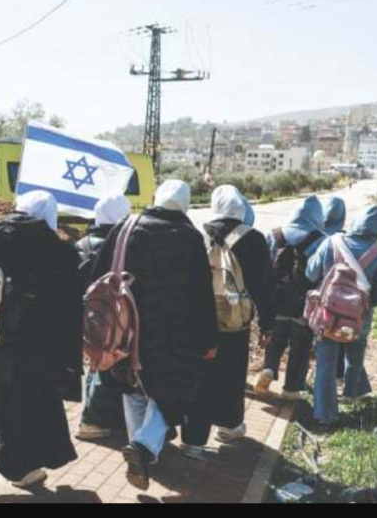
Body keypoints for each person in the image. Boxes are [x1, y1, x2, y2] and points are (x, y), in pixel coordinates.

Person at [90, 180, 218, 490]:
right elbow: (202, 294)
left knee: (132, 385)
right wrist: (208, 338)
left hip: (126, 327)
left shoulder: (126, 225)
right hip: (174, 333)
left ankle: (143, 455)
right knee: (176, 388)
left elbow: (97, 274)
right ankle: (144, 447)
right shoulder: (189, 236)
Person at [0, 191, 84, 489]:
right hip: (36, 348)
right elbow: (67, 311)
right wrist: (70, 358)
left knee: (4, 393)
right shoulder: (57, 252)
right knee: (30, 406)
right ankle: (18, 470)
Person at [180, 186, 275, 460]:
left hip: (200, 321)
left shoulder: (197, 234)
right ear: (240, 208)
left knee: (200, 379)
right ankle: (229, 426)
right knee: (232, 376)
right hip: (235, 323)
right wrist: (267, 325)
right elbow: (264, 287)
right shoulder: (253, 238)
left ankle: (193, 441)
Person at [306, 206, 377, 428]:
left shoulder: (331, 242)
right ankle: (351, 397)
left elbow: (311, 273)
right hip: (359, 319)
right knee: (355, 355)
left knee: (325, 362)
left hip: (327, 315)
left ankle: (324, 414)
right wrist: (362, 305)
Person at [255, 197, 327, 400]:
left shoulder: (274, 235)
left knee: (275, 339)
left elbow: (265, 267)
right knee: (301, 346)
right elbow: (321, 273)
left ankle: (269, 368)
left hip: (276, 300)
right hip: (304, 303)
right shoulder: (321, 239)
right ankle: (291, 389)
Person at [76, 194, 133, 441]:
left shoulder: (84, 243)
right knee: (110, 365)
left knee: (95, 362)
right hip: (115, 318)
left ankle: (92, 417)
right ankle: (94, 421)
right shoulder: (125, 244)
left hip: (88, 315)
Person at [321, 197, 349, 380]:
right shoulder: (346, 239)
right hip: (343, 299)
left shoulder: (318, 235)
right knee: (339, 336)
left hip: (320, 297)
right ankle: (339, 373)